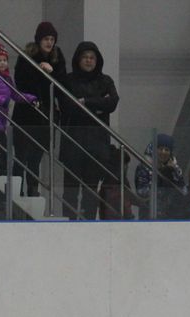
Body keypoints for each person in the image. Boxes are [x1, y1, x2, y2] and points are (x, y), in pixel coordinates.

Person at [59, 41, 119, 220]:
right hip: (73, 143)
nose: (88, 61)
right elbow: (67, 105)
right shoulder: (68, 80)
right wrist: (99, 104)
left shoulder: (105, 80)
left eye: (92, 57)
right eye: (85, 57)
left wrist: (86, 102)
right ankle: (68, 223)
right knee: (70, 190)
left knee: (91, 190)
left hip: (97, 145)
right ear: (78, 59)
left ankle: (90, 223)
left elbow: (113, 102)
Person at [10, 21, 67, 197]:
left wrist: (51, 73)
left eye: (52, 39)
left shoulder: (57, 58)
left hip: (45, 116)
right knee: (20, 157)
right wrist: (39, 72)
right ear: (38, 40)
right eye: (46, 39)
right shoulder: (26, 56)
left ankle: (33, 191)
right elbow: (21, 82)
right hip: (25, 114)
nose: (49, 43)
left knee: (35, 159)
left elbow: (63, 85)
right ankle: (16, 193)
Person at [0, 43, 37, 177]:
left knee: (2, 146)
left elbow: (16, 94)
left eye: (4, 60)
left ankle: (1, 170)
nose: (2, 63)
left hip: (1, 120)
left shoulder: (7, 79)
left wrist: (31, 98)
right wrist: (2, 100)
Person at [133, 133, 187, 219]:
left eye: (167, 149)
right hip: (149, 214)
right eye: (160, 149)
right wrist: (160, 177)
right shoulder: (144, 167)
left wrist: (172, 174)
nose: (163, 152)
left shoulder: (175, 168)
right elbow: (141, 192)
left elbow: (183, 191)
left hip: (171, 214)